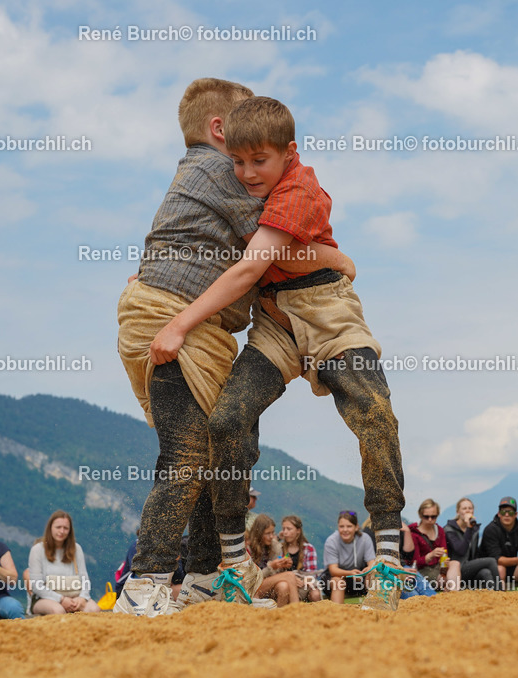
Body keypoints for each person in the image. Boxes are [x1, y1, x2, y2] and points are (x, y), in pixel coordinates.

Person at [151, 95, 408, 611]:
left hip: (326, 311)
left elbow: (249, 267)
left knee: (374, 411)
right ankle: (233, 561)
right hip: (273, 319)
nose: (247, 172)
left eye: (259, 161)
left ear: (288, 153)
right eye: (238, 161)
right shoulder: (244, 190)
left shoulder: (298, 188)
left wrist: (178, 325)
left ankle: (387, 555)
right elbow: (206, 240)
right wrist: (155, 270)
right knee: (227, 420)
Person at [116, 79, 351, 616]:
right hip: (172, 321)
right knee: (185, 456)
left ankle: (203, 580)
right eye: (243, 127)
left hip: (178, 317)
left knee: (208, 453)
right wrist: (339, 260)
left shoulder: (198, 171)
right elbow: (274, 250)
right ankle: (144, 584)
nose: (250, 156)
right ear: (220, 129)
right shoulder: (219, 169)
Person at [28, 510, 100, 615]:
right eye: (58, 527)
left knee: (94, 609)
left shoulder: (76, 549)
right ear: (50, 528)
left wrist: (82, 598)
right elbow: (36, 586)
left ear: (70, 531)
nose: (62, 531)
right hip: (44, 598)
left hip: (74, 596)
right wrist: (61, 599)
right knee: (58, 610)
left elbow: (84, 579)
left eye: (65, 528)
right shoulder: (37, 550)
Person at [479, 496, 518, 593]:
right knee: (500, 569)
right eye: (503, 512)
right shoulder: (490, 529)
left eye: (511, 512)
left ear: (516, 514)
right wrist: (517, 560)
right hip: (490, 569)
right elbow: (496, 559)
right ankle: (502, 601)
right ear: (499, 514)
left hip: (512, 568)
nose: (507, 515)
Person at [444, 498, 501, 591]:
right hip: (457, 570)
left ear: (473, 511)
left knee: (485, 572)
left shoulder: (474, 529)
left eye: (470, 508)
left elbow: (475, 553)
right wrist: (469, 529)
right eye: (464, 508)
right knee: (491, 561)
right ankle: (501, 592)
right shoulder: (449, 529)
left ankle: (494, 596)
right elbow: (461, 550)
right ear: (458, 512)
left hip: (470, 568)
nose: (467, 511)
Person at [321, 511, 375, 603]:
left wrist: (369, 569)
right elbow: (333, 570)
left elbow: (372, 563)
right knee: (339, 582)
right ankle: (337, 610)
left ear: (356, 527)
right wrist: (350, 573)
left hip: (358, 576)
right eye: (341, 526)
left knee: (373, 575)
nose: (345, 530)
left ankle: (374, 608)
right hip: (335, 577)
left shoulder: (365, 539)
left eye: (349, 526)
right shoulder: (331, 541)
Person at [246, 515, 299, 606]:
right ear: (259, 533)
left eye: (272, 532)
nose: (271, 536)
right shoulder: (248, 548)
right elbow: (251, 579)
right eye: (267, 533)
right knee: (290, 575)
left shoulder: (274, 546)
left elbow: (276, 574)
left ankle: (280, 613)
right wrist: (271, 567)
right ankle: (296, 608)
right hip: (252, 587)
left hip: (268, 585)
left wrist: (282, 565)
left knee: (283, 586)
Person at [279, 515, 321, 602]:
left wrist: (302, 580)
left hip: (304, 583)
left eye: (289, 529)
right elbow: (276, 571)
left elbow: (312, 573)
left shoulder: (308, 548)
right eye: (283, 529)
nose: (285, 532)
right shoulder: (280, 548)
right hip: (285, 582)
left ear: (298, 530)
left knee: (315, 594)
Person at [408, 499, 447, 590]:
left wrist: (445, 561)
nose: (430, 520)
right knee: (446, 578)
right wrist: (430, 556)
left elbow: (444, 552)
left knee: (455, 564)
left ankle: (452, 589)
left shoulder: (440, 530)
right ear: (420, 515)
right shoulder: (413, 533)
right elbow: (414, 562)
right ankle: (449, 587)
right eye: (426, 517)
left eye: (433, 517)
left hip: (438, 567)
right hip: (423, 570)